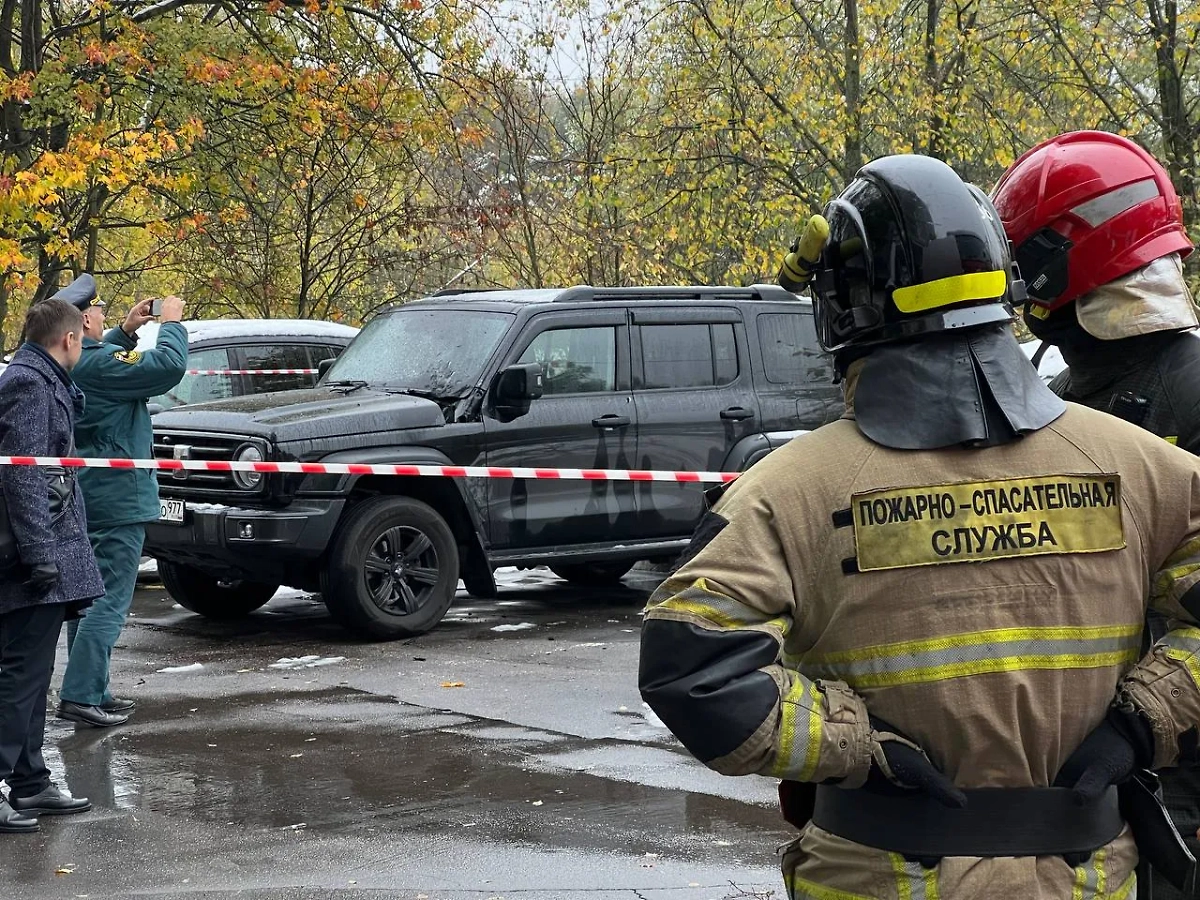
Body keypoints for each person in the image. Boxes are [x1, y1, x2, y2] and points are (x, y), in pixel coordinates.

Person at [639, 154, 1200, 898]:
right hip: (1084, 877)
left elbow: (689, 666)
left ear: (842, 307)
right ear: (1006, 286)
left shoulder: (786, 492)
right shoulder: (1147, 468)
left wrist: (857, 747)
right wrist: (1142, 721)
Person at [992, 130, 1200, 900]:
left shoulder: (1189, 394)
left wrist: (1139, 724)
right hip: (1097, 776)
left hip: (1180, 774)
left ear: (1057, 265)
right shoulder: (1062, 395)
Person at [54, 275, 188, 728]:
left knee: (89, 597)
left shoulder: (79, 360)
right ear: (83, 321)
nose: (103, 315)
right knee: (109, 600)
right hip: (117, 499)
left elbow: (106, 359)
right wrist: (172, 324)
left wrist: (126, 331)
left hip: (92, 493)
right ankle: (81, 694)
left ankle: (92, 688)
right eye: (99, 311)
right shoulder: (97, 365)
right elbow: (166, 367)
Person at [0, 299, 105, 833]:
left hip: (40, 549)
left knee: (34, 672)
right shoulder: (29, 382)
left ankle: (31, 781)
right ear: (68, 339)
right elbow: (22, 474)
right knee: (20, 675)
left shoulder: (39, 377)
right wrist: (40, 554)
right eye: (81, 338)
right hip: (31, 553)